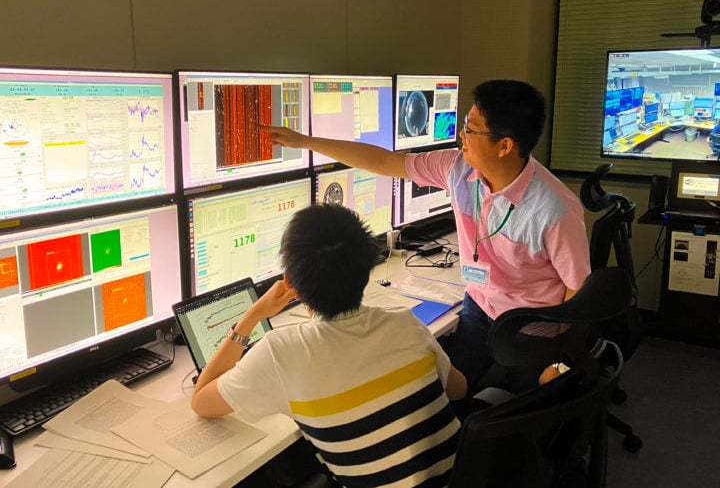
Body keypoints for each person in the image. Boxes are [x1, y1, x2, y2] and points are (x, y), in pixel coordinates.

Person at [262, 79, 591, 396]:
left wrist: (558, 359)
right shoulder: (457, 169)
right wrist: (305, 142)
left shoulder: (555, 210)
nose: (462, 135)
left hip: (531, 328)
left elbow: (581, 292)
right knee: (451, 395)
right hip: (479, 307)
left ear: (505, 146)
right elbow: (384, 161)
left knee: (529, 421)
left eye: (472, 130)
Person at [192, 204, 467, 488]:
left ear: (289, 282)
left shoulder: (280, 353)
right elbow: (459, 390)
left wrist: (253, 315)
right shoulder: (404, 324)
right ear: (367, 269)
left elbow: (201, 401)